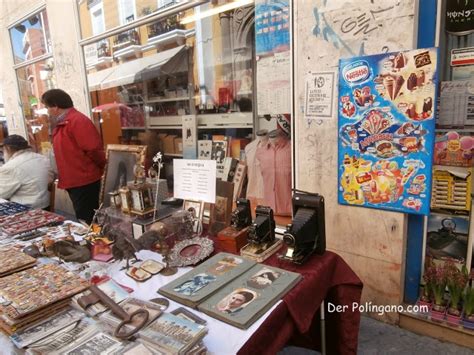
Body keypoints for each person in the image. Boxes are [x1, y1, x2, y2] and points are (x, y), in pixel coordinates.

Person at [41, 89, 106, 224]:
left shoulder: (77, 121)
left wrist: (101, 167)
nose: (47, 111)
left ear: (56, 106)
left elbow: (94, 149)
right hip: (76, 180)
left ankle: (96, 243)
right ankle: (94, 241)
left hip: (84, 180)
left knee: (88, 218)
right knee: (84, 216)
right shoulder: (63, 123)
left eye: (47, 107)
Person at [0, 135, 53, 209]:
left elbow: (2, 193)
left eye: (3, 150)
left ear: (8, 148)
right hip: (46, 204)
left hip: (26, 209)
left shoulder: (11, 166)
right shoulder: (42, 158)